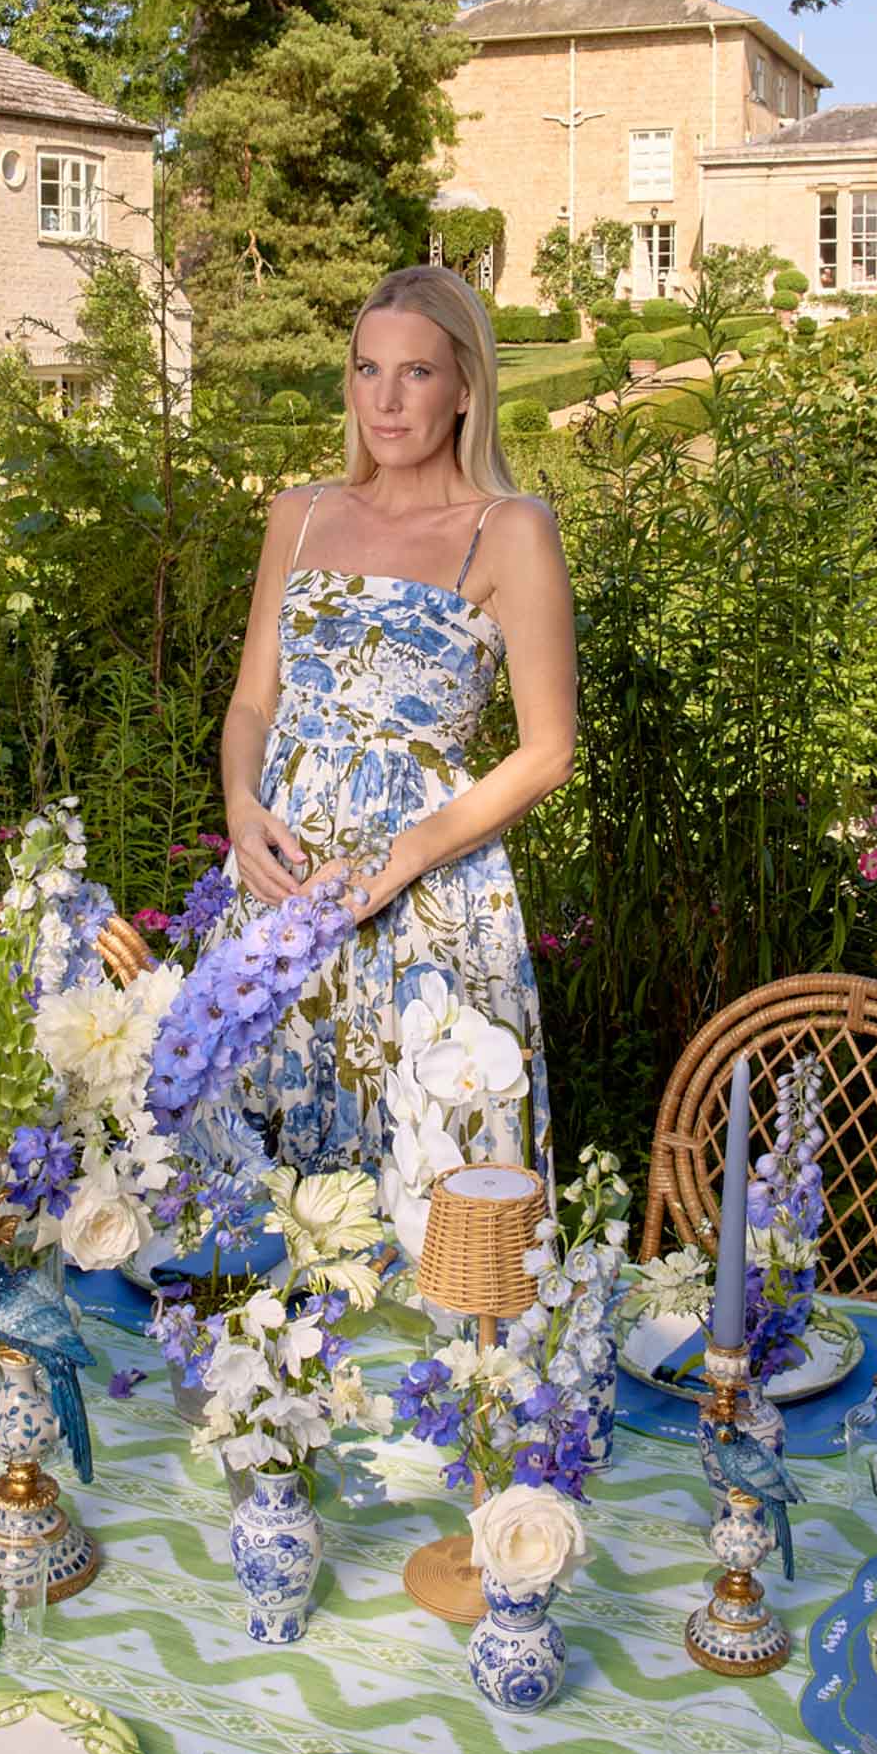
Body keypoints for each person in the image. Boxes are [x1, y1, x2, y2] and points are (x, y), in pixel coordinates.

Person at [208, 264, 577, 1175]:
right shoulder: (297, 516)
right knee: (245, 1192)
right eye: (368, 370)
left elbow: (548, 751)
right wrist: (241, 811)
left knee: (436, 1199)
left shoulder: (510, 528)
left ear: (463, 390)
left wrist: (400, 859)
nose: (386, 399)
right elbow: (255, 699)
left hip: (430, 905)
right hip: (279, 890)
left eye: (415, 372)